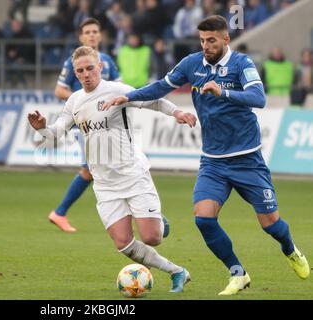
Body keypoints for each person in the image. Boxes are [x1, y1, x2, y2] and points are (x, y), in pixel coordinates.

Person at [102, 15, 310, 295]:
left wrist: (223, 91)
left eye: (211, 40)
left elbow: (259, 98)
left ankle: (290, 250)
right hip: (213, 161)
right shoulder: (191, 63)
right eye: (202, 40)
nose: (205, 45)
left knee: (270, 224)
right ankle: (238, 273)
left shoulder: (242, 64)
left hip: (248, 159)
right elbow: (162, 86)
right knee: (203, 218)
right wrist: (130, 97)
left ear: (226, 39)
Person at [28, 45, 197, 292]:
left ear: (99, 67)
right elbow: (55, 134)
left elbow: (154, 101)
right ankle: (177, 272)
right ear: (75, 74)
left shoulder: (116, 90)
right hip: (105, 184)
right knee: (123, 243)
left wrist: (177, 112)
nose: (86, 74)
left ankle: (159, 220)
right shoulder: (75, 101)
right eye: (80, 71)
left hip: (132, 173)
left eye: (89, 68)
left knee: (152, 238)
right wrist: (41, 128)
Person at [49, 17, 121, 232]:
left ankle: (60, 213)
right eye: (87, 32)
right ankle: (60, 212)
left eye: (95, 31)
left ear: (100, 35)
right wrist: (84, 104)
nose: (91, 35)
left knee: (98, 169)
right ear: (81, 37)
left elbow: (118, 88)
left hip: (108, 125)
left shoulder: (107, 61)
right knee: (91, 169)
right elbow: (59, 90)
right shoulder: (74, 62)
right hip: (84, 125)